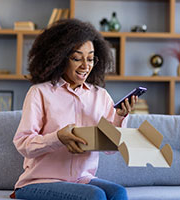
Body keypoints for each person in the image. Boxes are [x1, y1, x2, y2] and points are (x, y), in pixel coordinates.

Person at [12, 19, 137, 200]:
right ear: (59, 57)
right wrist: (58, 138)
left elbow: (111, 149)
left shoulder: (100, 96)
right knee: (95, 196)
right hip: (40, 181)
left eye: (90, 58)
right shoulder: (40, 93)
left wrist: (120, 117)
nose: (85, 66)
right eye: (77, 58)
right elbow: (23, 144)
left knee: (119, 192)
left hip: (81, 180)